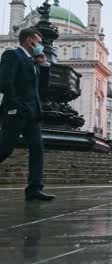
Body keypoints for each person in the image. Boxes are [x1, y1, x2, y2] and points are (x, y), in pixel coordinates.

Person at [0, 28, 55, 201]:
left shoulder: (33, 62)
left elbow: (43, 88)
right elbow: (4, 81)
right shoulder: (13, 55)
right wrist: (16, 104)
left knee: (37, 149)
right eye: (39, 42)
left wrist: (43, 64)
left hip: (33, 114)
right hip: (17, 111)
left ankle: (34, 188)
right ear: (29, 41)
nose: (41, 46)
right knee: (5, 147)